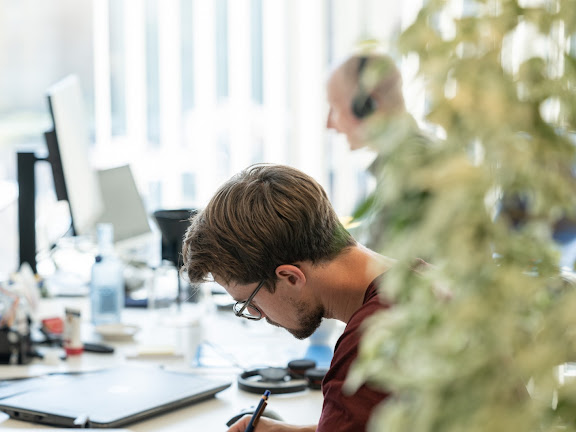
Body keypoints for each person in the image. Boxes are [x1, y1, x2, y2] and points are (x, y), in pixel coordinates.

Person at [182, 164, 402, 432]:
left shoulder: (370, 346)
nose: (257, 315)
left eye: (250, 302)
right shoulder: (423, 281)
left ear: (291, 277)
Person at [326, 52, 431, 251]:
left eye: (335, 108)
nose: (329, 124)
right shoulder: (405, 158)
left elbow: (380, 263)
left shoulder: (409, 167)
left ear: (366, 105)